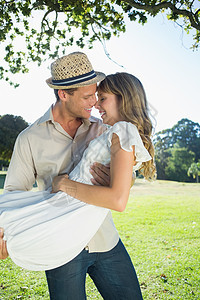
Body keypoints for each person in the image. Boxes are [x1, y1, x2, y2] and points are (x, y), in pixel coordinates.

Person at [0, 53, 156, 299]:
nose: (94, 102)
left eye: (97, 95)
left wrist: (117, 180)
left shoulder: (106, 128)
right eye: (87, 96)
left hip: (105, 240)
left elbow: (124, 177)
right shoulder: (29, 139)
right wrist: (5, 231)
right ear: (64, 94)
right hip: (60, 247)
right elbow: (14, 194)